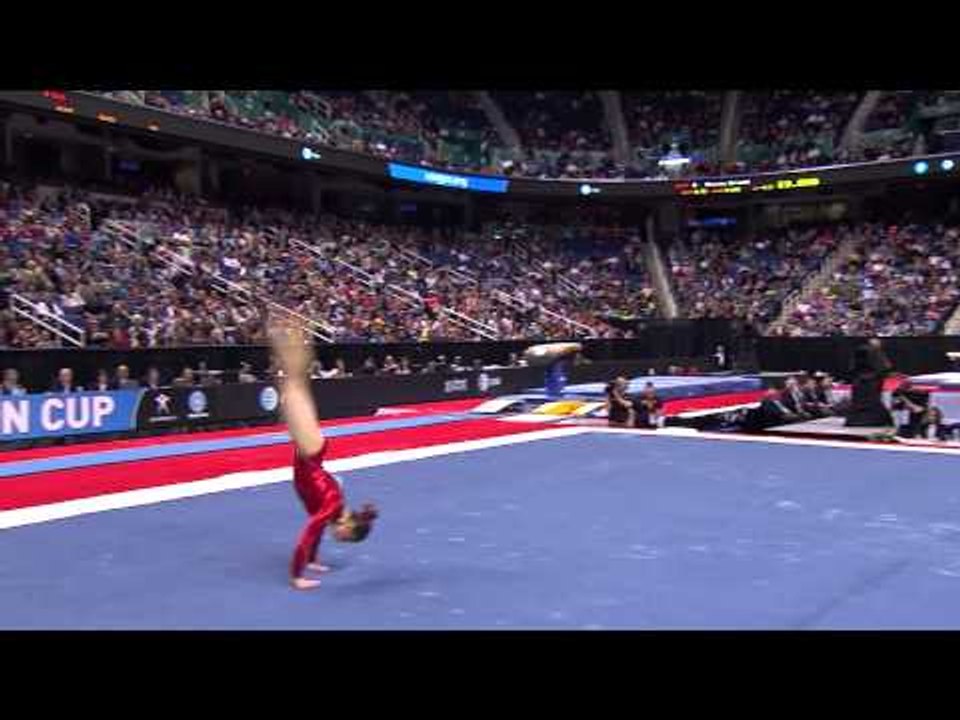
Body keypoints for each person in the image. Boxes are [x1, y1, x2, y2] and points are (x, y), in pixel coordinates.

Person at [269, 319, 379, 591]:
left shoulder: (333, 512)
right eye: (343, 538)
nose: (338, 539)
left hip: (311, 452)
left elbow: (316, 532)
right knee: (294, 383)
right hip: (311, 450)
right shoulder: (332, 507)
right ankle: (290, 331)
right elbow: (307, 535)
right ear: (348, 525)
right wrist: (297, 576)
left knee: (294, 384)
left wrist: (314, 559)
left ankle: (291, 333)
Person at [846, 338, 894, 427]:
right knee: (870, 400)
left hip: (863, 381)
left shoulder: (862, 351)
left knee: (866, 400)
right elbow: (885, 368)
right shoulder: (875, 353)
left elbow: (852, 367)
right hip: (868, 381)